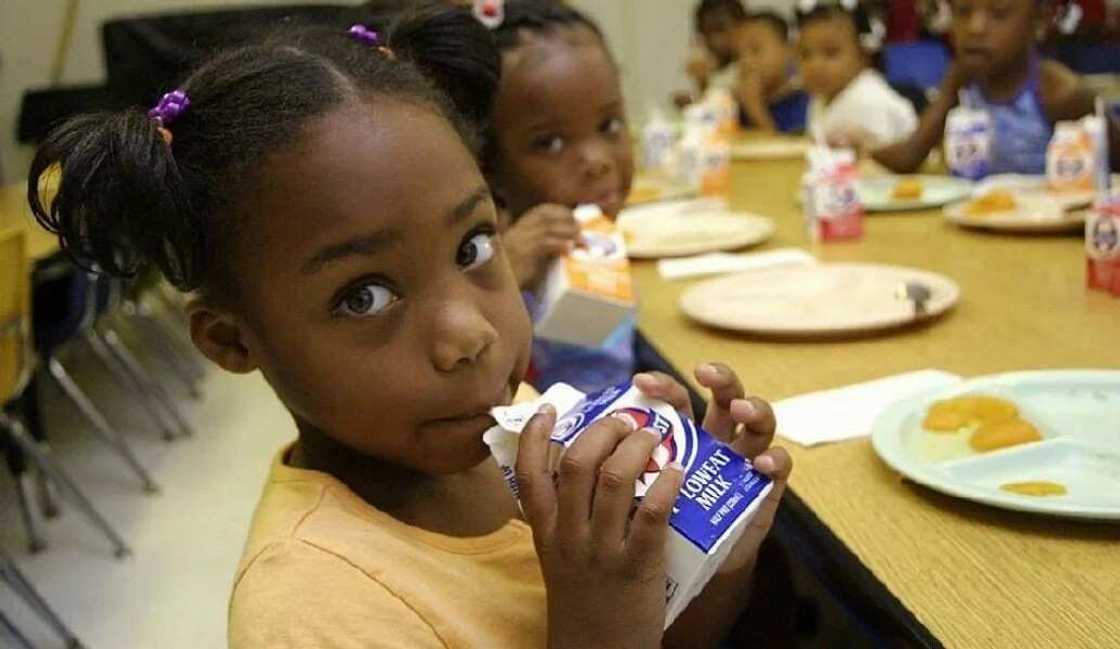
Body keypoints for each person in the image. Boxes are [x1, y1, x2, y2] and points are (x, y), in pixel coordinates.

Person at [27, 7, 792, 648]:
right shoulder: (313, 608)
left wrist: (710, 552)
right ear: (232, 341)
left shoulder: (504, 429)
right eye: (364, 296)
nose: (469, 334)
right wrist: (595, 624)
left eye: (473, 246)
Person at [487, 1, 638, 393]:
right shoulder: (499, 271)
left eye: (609, 124)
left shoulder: (599, 248)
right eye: (550, 142)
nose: (597, 162)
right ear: (488, 166)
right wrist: (501, 282)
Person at [874, 0, 1115, 174]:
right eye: (963, 11)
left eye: (999, 13)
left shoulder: (1059, 92)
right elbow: (909, 156)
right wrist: (861, 152)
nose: (975, 28)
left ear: (1038, 20)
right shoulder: (962, 78)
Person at [797, 0, 918, 150]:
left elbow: (886, 161)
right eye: (805, 54)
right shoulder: (820, 99)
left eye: (830, 53)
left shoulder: (870, 100)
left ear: (863, 55)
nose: (815, 66)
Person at [735, 10, 809, 133]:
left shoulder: (804, 103)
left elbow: (790, 150)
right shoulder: (740, 105)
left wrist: (756, 110)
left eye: (755, 50)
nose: (745, 62)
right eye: (738, 55)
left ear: (789, 51)